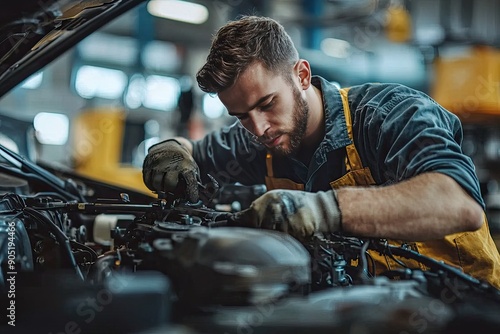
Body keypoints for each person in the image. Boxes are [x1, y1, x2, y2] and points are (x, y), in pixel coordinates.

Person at [142, 16, 500, 287]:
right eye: (241, 116)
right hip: (360, 307)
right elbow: (192, 153)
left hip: (461, 302)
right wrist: (170, 150)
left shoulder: (388, 115)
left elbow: (459, 205)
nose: (259, 127)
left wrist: (324, 209)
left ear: (300, 75)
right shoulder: (254, 140)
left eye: (267, 103)